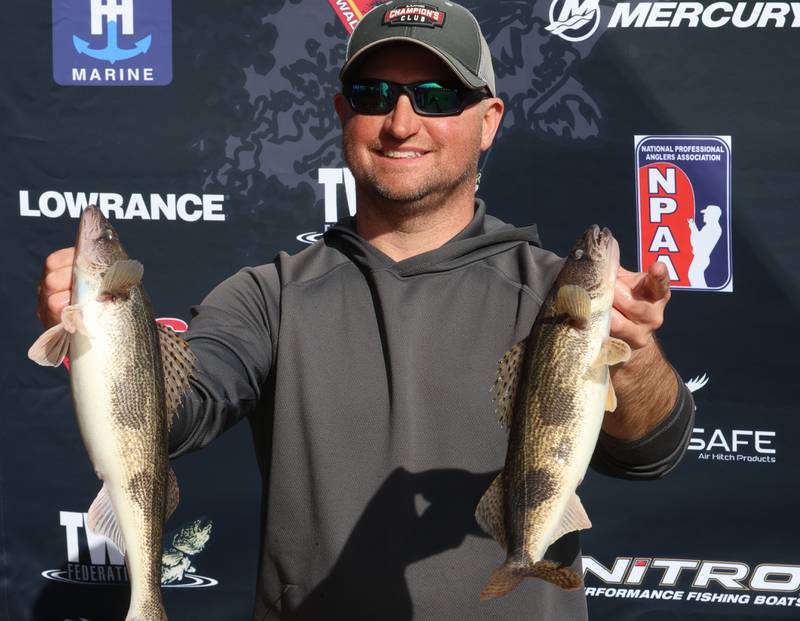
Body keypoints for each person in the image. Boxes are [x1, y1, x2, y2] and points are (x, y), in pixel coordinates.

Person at [37, 1, 694, 619]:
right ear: (341, 112)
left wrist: (631, 357)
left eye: (435, 97)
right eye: (374, 95)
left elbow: (650, 451)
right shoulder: (270, 294)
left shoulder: (556, 294)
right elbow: (171, 415)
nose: (401, 122)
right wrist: (105, 337)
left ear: (489, 119)